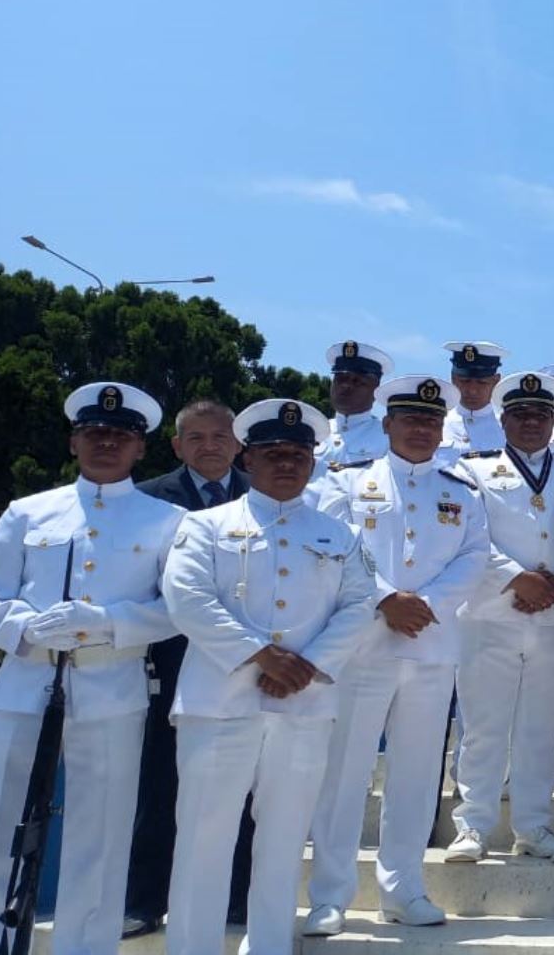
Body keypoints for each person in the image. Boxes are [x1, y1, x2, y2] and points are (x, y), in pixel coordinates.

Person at [162, 399, 377, 955]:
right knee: (203, 842)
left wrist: (308, 667)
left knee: (283, 843)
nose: (287, 463)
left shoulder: (340, 535)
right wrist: (262, 655)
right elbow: (187, 599)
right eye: (273, 453)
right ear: (247, 458)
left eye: (298, 454)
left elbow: (358, 606)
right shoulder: (205, 526)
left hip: (304, 707)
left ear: (312, 462)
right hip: (218, 706)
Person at [0, 382, 186, 955]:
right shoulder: (28, 511)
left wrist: (110, 622)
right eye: (95, 433)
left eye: (121, 436)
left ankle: (85, 946)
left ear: (142, 449)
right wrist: (22, 627)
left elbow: (177, 607)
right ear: (74, 441)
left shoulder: (167, 521)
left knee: (101, 832)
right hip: (26, 680)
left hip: (112, 684)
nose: (107, 443)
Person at [303, 374, 488, 935]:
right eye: (410, 419)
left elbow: (475, 557)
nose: (421, 429)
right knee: (345, 774)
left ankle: (403, 887)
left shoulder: (461, 490)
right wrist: (386, 597)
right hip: (362, 646)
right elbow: (331, 546)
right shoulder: (346, 483)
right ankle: (330, 896)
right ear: (386, 425)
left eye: (431, 421)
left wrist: (425, 603)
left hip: (430, 647)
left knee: (414, 774)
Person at [126, 398, 252, 938]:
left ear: (238, 443)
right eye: (195, 438)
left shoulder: (266, 495)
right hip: (172, 659)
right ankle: (145, 900)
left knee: (247, 787)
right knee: (160, 782)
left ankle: (237, 900)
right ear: (176, 446)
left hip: (251, 662)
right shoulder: (149, 501)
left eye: (220, 436)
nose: (209, 446)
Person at [445, 371, 554, 863]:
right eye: (520, 414)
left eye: (541, 414)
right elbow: (468, 536)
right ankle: (473, 825)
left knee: (542, 728)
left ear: (553, 420)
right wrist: (516, 578)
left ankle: (534, 825)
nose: (530, 423)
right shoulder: (472, 469)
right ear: (503, 419)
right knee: (483, 726)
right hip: (490, 612)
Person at [315, 341, 394, 475]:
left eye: (357, 381)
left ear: (376, 390)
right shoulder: (313, 432)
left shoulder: (389, 439)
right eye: (340, 379)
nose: (346, 386)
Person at [438, 341, 507, 459]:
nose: (472, 390)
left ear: (496, 381)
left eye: (482, 383)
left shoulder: (508, 429)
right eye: (464, 381)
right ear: (453, 379)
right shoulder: (436, 424)